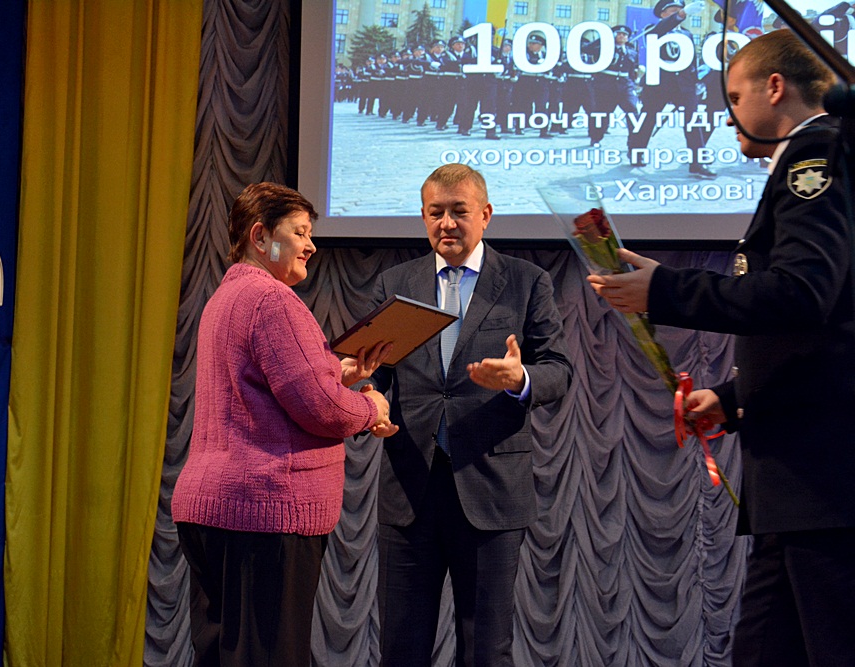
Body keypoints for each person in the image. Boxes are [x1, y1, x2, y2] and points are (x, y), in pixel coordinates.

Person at [587, 30, 855, 666]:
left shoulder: (815, 154)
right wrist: (733, 400)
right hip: (801, 484)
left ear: (774, 87)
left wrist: (664, 289)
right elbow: (823, 332)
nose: (727, 114)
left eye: (734, 97)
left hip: (821, 483)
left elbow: (802, 294)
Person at [171, 182, 396, 666]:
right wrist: (371, 408)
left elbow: (263, 385)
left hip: (215, 510)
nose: (311, 245)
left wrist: (336, 372)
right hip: (264, 514)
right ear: (260, 236)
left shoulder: (226, 297)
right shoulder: (272, 299)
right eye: (300, 232)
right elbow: (321, 407)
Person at [366, 164, 573, 666]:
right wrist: (369, 399)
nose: (447, 223)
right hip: (410, 490)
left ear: (486, 214)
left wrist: (520, 379)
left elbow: (559, 369)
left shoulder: (525, 282)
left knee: (485, 649)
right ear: (423, 216)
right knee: (400, 648)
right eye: (435, 212)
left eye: (459, 211)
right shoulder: (395, 283)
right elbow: (374, 370)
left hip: (491, 490)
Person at [627, 0, 715, 177]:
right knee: (647, 120)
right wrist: (681, 15)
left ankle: (697, 163)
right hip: (659, 84)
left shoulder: (687, 34)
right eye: (673, 10)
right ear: (662, 14)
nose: (678, 13)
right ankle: (636, 150)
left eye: (680, 10)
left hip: (684, 86)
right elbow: (659, 32)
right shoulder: (653, 29)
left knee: (693, 122)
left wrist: (697, 81)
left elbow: (691, 60)